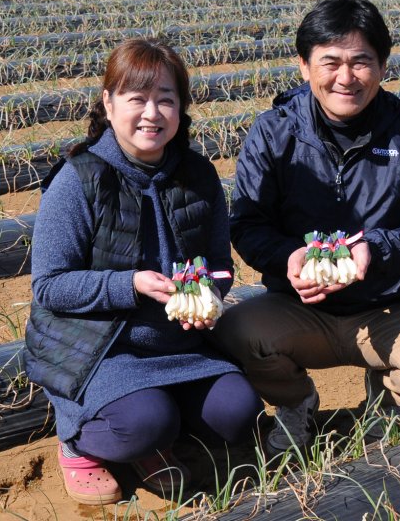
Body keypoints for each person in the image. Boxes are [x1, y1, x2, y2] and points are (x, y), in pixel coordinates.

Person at [213, 0, 400, 454]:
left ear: (382, 66)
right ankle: (296, 401)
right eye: (330, 62)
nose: (346, 77)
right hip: (299, 306)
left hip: (389, 307)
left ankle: (388, 399)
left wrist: (377, 249)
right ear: (304, 66)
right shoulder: (274, 132)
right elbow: (249, 223)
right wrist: (289, 257)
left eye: (360, 62)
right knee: (229, 333)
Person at [23, 38, 263, 504]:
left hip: (178, 344)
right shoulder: (79, 179)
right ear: (109, 103)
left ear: (181, 108)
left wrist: (207, 299)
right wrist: (130, 285)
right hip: (99, 348)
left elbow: (219, 264)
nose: (152, 113)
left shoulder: (198, 175)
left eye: (166, 99)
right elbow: (49, 287)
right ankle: (78, 443)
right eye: (137, 98)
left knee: (239, 413)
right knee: (145, 424)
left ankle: (154, 435)